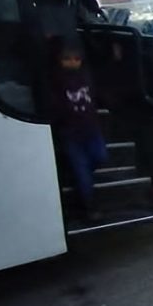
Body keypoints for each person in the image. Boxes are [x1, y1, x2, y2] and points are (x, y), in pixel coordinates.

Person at [49, 35, 107, 220]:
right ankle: (89, 207)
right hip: (71, 133)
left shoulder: (86, 76)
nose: (72, 62)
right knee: (82, 172)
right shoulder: (57, 80)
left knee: (100, 156)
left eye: (76, 58)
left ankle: (82, 184)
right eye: (67, 59)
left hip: (91, 128)